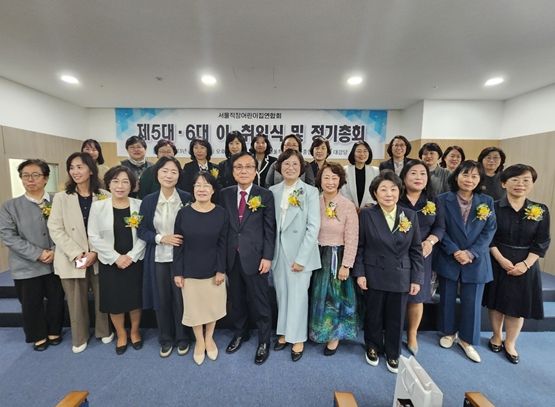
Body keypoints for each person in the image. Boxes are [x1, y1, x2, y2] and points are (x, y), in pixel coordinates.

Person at [353, 170, 423, 374]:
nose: (389, 194)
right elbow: (360, 246)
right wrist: (360, 273)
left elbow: (416, 249)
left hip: (401, 274)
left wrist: (416, 278)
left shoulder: (409, 215)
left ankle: (393, 351)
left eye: (393, 189)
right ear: (375, 193)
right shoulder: (367, 215)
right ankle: (372, 345)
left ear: (400, 192)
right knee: (373, 314)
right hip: (374, 272)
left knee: (396, 316)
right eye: (383, 189)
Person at [483, 164, 550, 364]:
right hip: (498, 259)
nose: (520, 184)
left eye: (526, 180)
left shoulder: (540, 210)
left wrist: (525, 264)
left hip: (526, 263)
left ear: (532, 184)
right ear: (504, 183)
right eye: (515, 179)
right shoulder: (493, 207)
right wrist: (501, 260)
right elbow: (488, 237)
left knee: (518, 305)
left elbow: (542, 241)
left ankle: (511, 342)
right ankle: (496, 336)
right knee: (496, 302)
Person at [47, 152, 113, 353]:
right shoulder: (61, 198)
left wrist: (95, 252)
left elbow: (110, 228)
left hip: (99, 255)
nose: (75, 171)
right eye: (71, 167)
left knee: (103, 295)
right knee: (76, 300)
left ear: (91, 170)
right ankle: (79, 336)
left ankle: (104, 330)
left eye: (80, 167)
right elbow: (55, 228)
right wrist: (77, 253)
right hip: (72, 256)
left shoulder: (105, 195)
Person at [434, 160, 497, 363]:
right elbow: (440, 228)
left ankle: (467, 340)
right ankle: (448, 332)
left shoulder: (486, 201)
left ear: (480, 179)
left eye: (474, 176)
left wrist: (471, 253)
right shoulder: (443, 199)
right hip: (449, 255)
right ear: (457, 176)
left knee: (473, 302)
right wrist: (454, 251)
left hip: (476, 259)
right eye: (465, 175)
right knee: (447, 298)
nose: (469, 179)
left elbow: (489, 231)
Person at [0, 159, 65, 351]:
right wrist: (38, 253)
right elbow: (8, 236)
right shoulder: (10, 206)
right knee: (30, 303)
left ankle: (54, 330)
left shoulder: (59, 200)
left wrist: (55, 251)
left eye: (35, 175)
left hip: (56, 261)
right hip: (26, 265)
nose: (30, 180)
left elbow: (70, 228)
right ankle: (38, 335)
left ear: (45, 178)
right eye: (25, 176)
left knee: (56, 299)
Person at [220, 152, 276, 365]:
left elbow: (270, 229)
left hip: (256, 258)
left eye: (248, 167)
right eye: (239, 167)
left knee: (260, 301)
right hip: (232, 257)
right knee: (236, 300)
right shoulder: (224, 194)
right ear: (233, 171)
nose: (243, 171)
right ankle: (239, 333)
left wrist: (267, 257)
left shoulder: (265, 195)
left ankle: (264, 340)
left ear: (255, 170)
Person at [138, 156, 193, 358]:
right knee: (162, 299)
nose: (169, 175)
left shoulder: (187, 198)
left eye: (173, 171)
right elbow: (142, 230)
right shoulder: (148, 201)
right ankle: (165, 338)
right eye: (164, 171)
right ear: (157, 174)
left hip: (182, 258)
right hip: (158, 257)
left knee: (181, 299)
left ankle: (183, 337)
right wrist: (161, 238)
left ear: (179, 175)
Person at [88, 166, 146, 355]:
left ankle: (135, 332)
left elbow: (144, 234)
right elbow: (93, 236)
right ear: (108, 184)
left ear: (132, 185)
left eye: (125, 182)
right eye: (115, 181)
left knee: (135, 300)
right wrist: (115, 258)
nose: (120, 186)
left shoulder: (139, 205)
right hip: (110, 262)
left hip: (134, 261)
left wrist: (131, 256)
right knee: (114, 302)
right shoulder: (98, 207)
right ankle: (121, 334)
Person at [172, 172, 228, 365]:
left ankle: (209, 338)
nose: (202, 189)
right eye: (198, 185)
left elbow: (223, 244)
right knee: (194, 308)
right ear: (193, 189)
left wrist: (221, 269)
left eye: (206, 185)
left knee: (212, 307)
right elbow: (178, 245)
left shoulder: (221, 213)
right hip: (189, 270)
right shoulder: (183, 213)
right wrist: (178, 272)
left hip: (213, 270)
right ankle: (199, 341)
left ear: (213, 190)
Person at [270, 149, 320, 362]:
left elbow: (313, 226)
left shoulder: (310, 191)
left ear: (301, 169)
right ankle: (283, 331)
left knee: (298, 297)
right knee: (282, 294)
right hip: (278, 251)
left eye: (295, 164)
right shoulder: (273, 190)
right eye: (286, 164)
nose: (290, 168)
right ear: (279, 167)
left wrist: (302, 258)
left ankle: (297, 338)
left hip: (301, 253)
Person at [309, 163, 359, 355]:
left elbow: (352, 237)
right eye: (326, 177)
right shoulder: (314, 201)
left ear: (341, 181)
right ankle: (319, 330)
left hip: (336, 256)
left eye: (334, 178)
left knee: (335, 297)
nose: (330, 182)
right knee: (317, 295)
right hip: (315, 254)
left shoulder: (347, 205)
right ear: (320, 180)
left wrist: (346, 264)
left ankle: (334, 336)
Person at [398, 160, 445, 355]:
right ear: (404, 177)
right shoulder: (395, 198)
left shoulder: (433, 201)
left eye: (422, 174)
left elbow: (440, 227)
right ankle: (392, 331)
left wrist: (430, 242)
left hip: (423, 255)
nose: (418, 177)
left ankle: (412, 334)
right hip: (398, 254)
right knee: (396, 295)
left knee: (417, 297)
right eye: (413, 173)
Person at [341, 141, 380, 210]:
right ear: (353, 153)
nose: (362, 154)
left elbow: (377, 191)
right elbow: (343, 191)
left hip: (369, 210)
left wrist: (369, 205)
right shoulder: (344, 170)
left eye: (365, 151)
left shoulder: (376, 171)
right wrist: (351, 205)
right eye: (359, 151)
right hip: (348, 209)